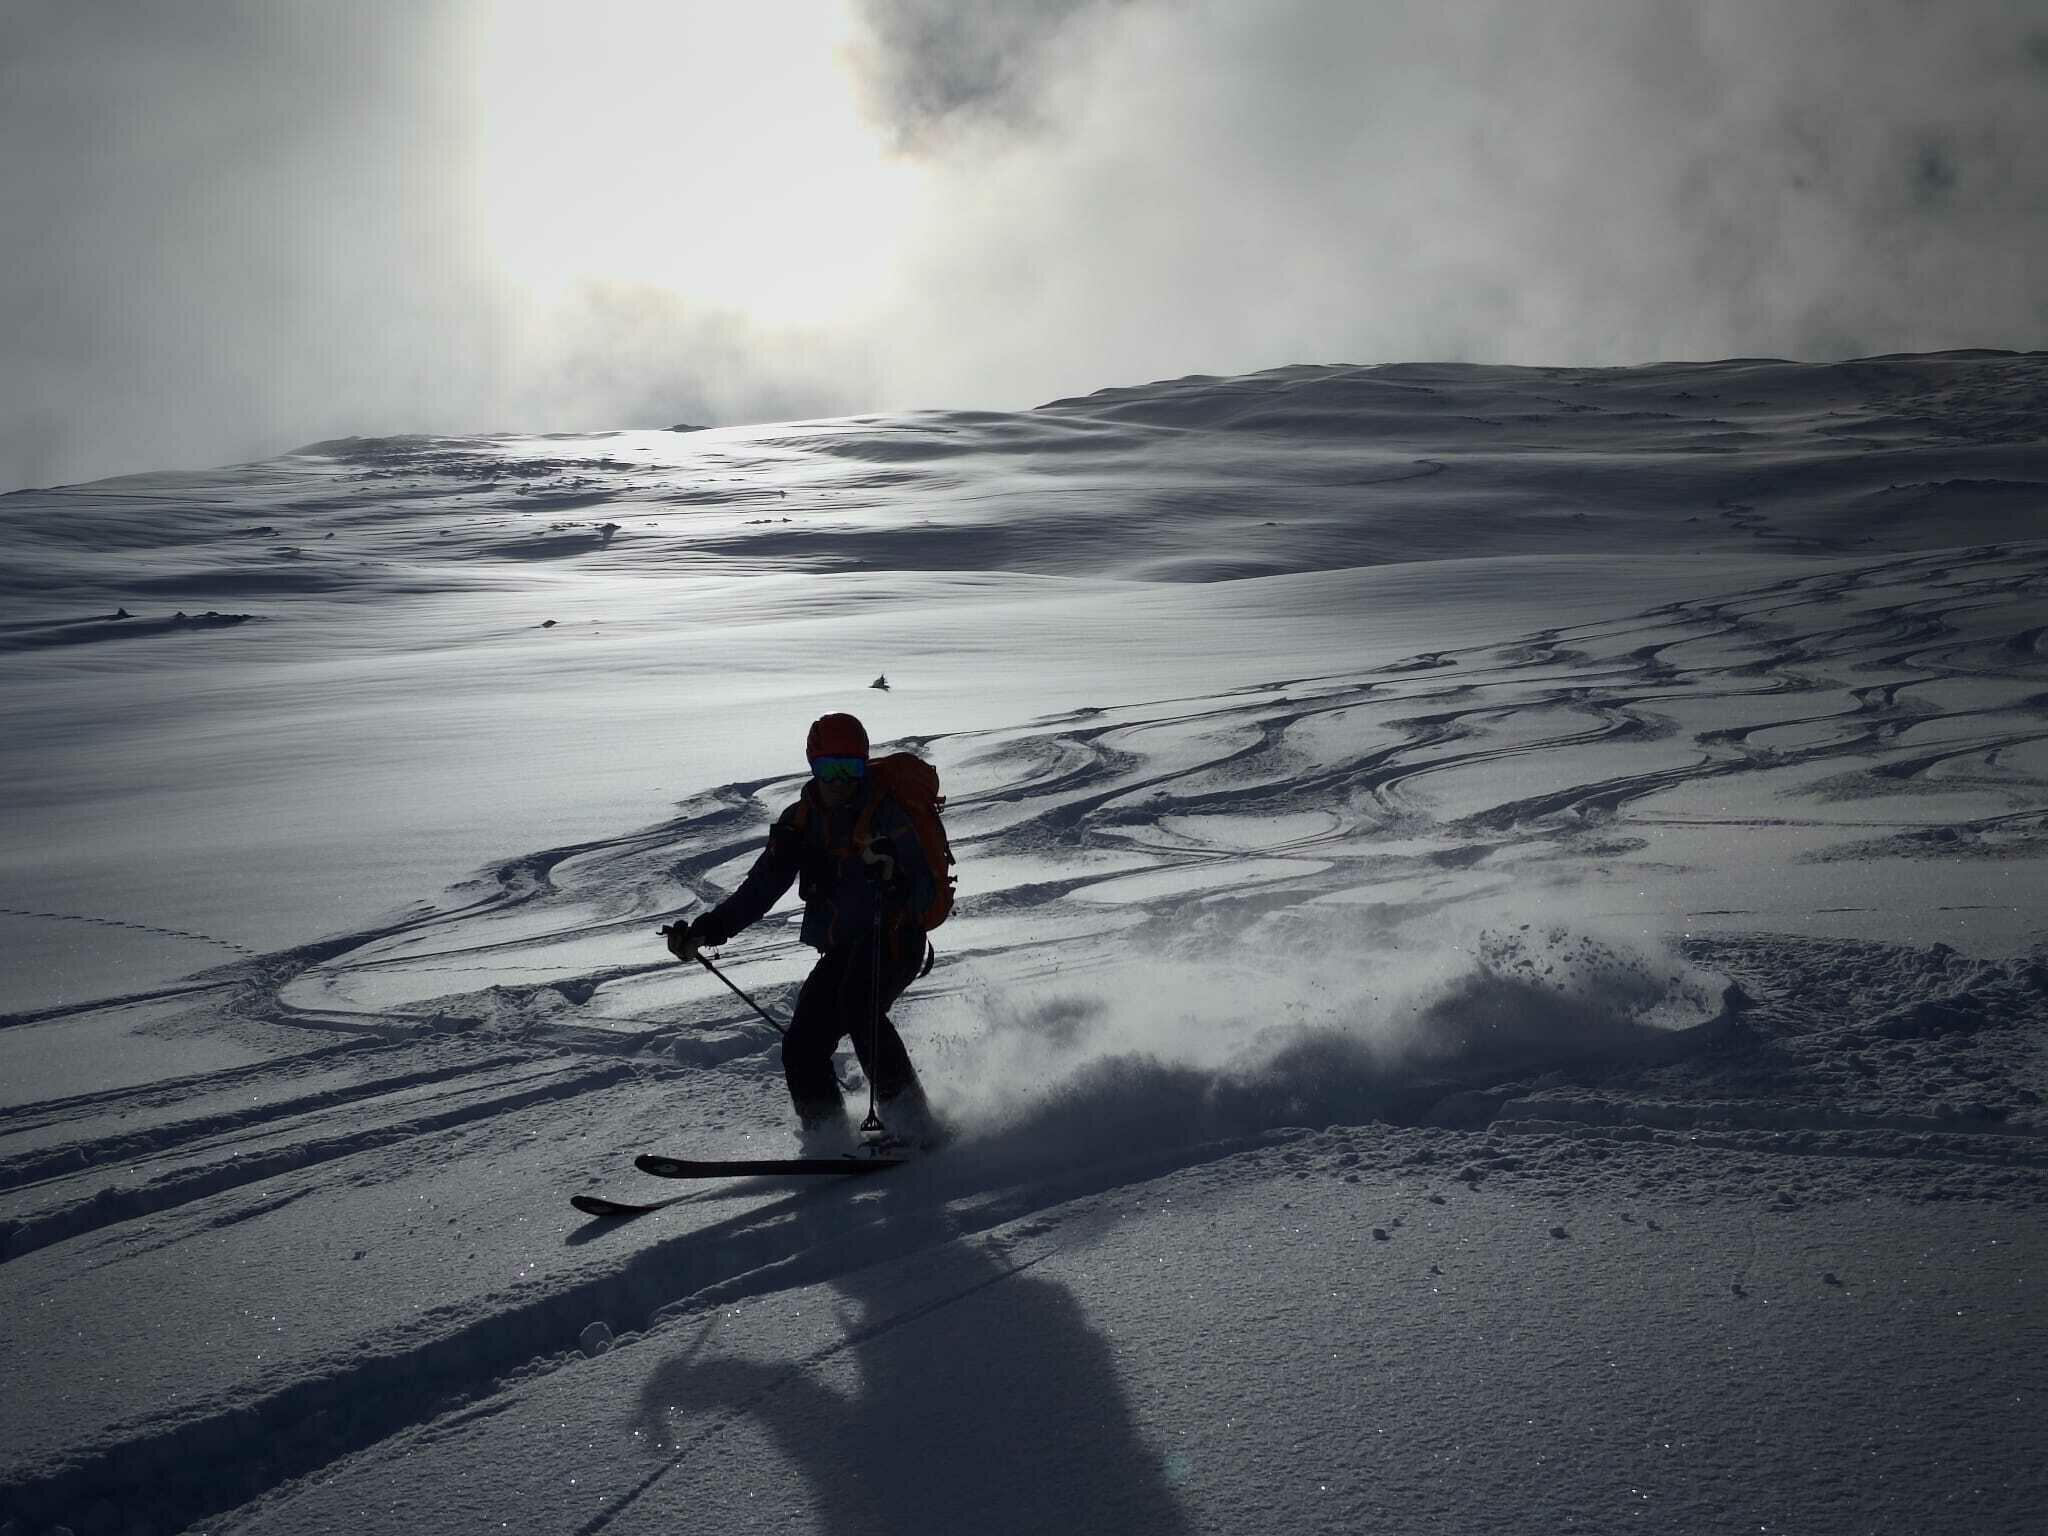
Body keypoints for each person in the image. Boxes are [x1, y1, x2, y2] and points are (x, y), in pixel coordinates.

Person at [666, 712, 940, 1150]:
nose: (839, 781)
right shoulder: (800, 823)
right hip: (844, 948)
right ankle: (828, 1138)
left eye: (849, 768)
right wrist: (706, 930)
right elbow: (759, 890)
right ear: (813, 765)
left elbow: (928, 891)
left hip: (895, 938)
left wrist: (894, 879)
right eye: (829, 768)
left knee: (859, 1005)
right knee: (801, 1046)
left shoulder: (887, 816)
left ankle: (914, 1126)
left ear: (863, 765)